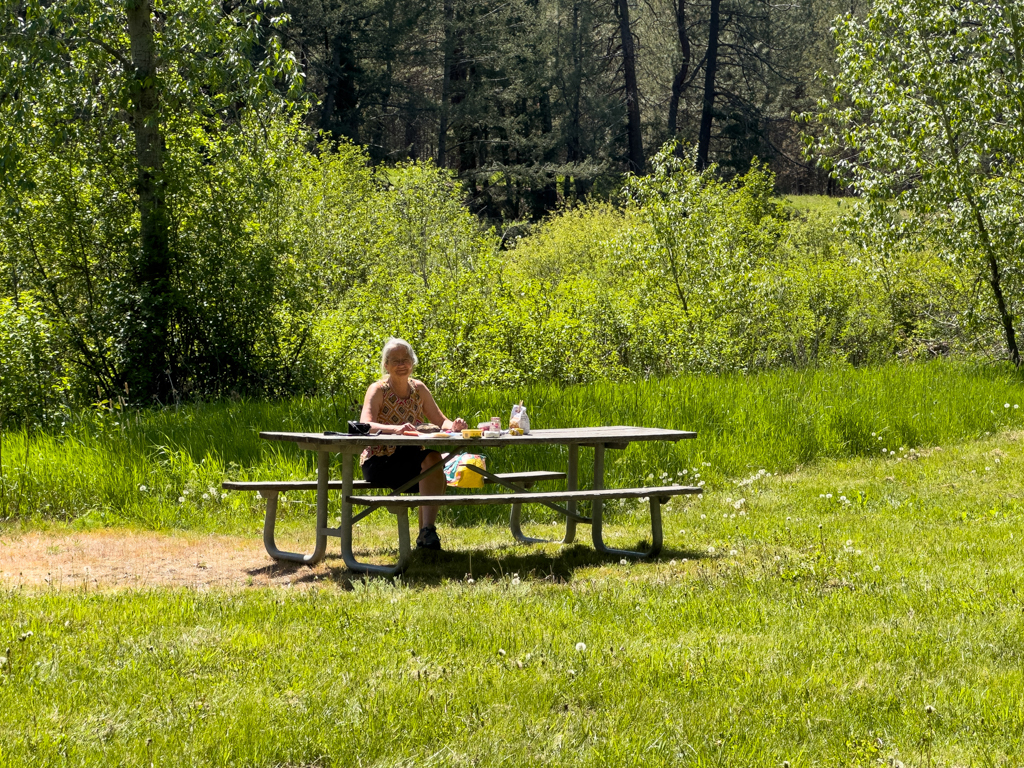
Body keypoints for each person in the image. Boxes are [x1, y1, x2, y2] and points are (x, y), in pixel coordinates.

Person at [359, 337, 467, 551]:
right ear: (386, 365)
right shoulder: (378, 390)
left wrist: (453, 425)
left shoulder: (418, 388)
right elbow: (365, 425)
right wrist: (396, 429)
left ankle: (427, 533)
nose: (401, 364)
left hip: (412, 460)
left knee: (435, 461)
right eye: (395, 360)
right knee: (433, 463)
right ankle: (426, 534)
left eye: (405, 359)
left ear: (413, 362)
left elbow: (440, 420)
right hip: (380, 461)